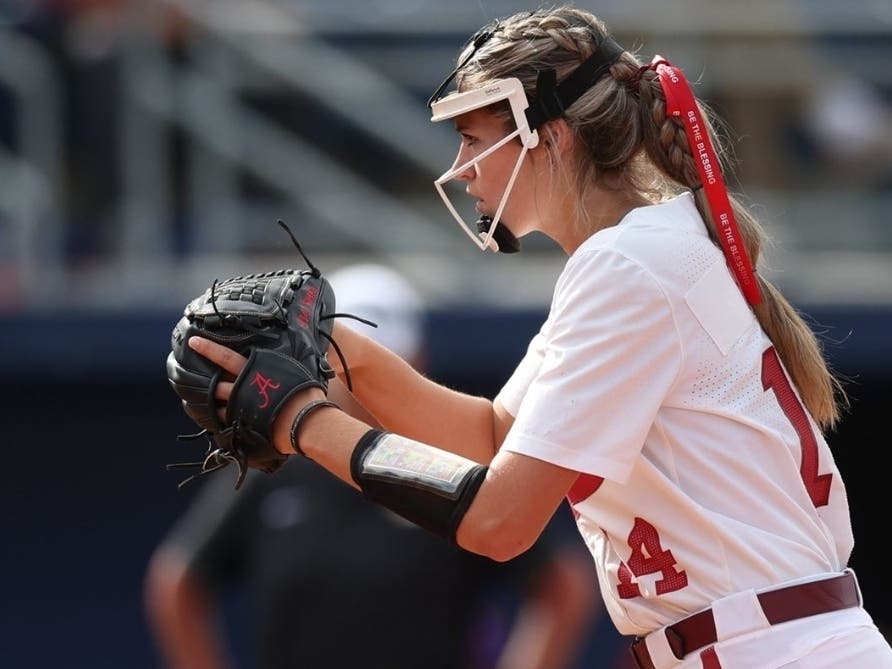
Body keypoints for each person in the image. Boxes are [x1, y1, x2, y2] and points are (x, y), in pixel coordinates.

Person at [183, 6, 892, 669]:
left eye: (472, 136)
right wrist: (346, 352)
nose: (460, 169)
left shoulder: (628, 264)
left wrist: (303, 421)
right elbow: (495, 435)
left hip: (773, 647)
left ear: (547, 136)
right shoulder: (638, 251)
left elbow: (500, 520)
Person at [145, 263, 604, 669]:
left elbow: (558, 583)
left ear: (416, 363)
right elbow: (178, 582)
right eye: (340, 361)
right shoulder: (277, 468)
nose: (356, 379)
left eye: (381, 359)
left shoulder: (451, 465)